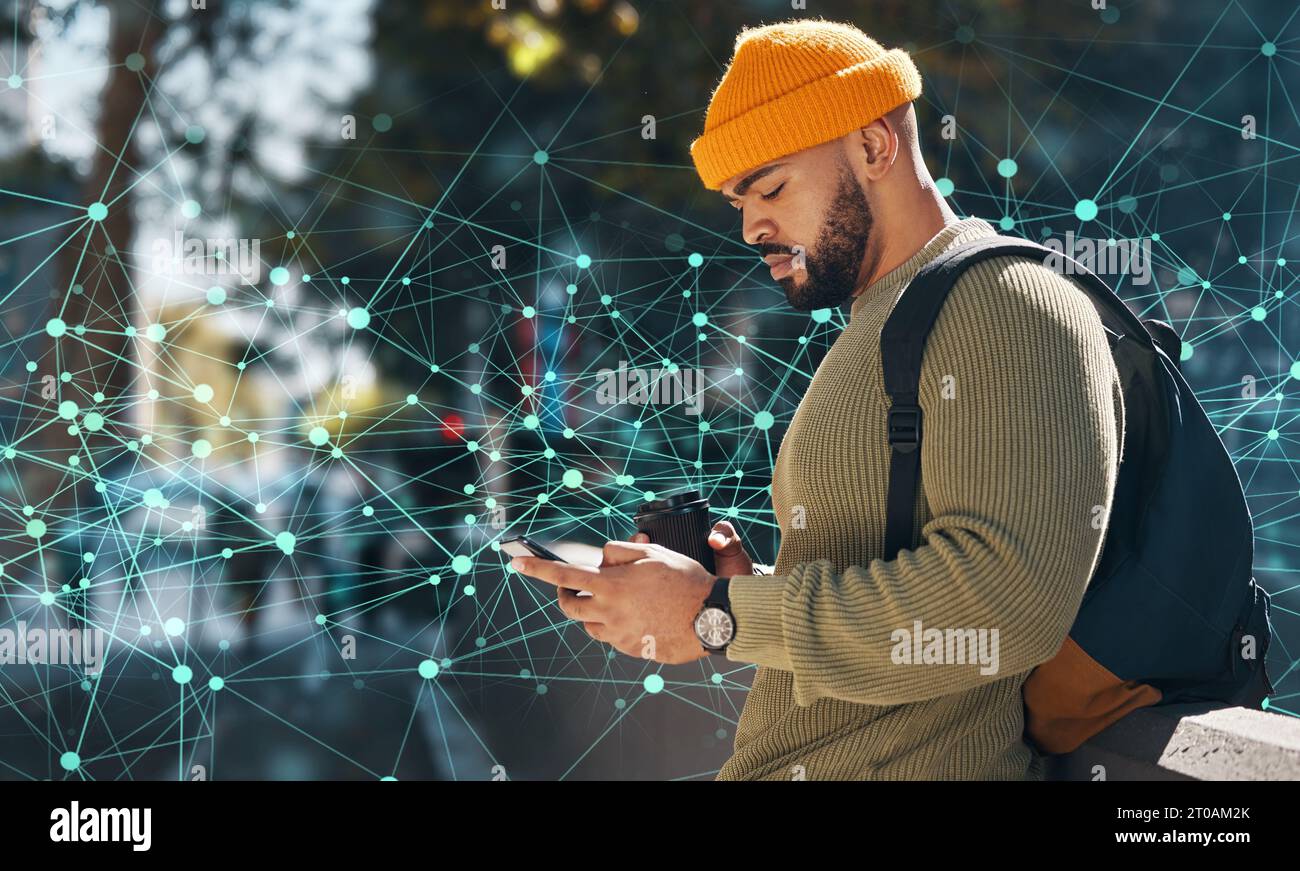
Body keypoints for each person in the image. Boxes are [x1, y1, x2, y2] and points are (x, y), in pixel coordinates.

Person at [511, 18, 1125, 781]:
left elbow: (1003, 607)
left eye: (769, 186)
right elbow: (888, 582)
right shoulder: (885, 321)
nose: (751, 225)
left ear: (873, 147)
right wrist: (732, 601)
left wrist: (722, 613)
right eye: (739, 200)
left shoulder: (1009, 303)